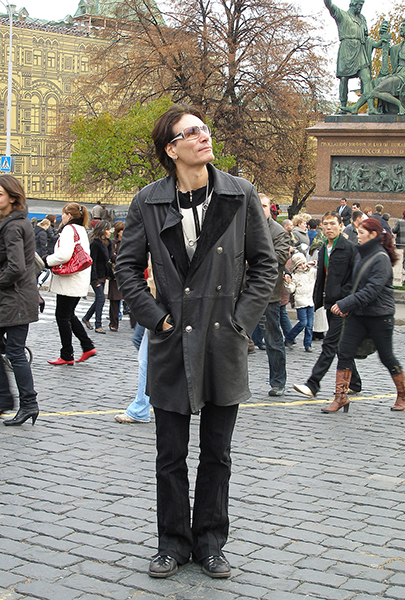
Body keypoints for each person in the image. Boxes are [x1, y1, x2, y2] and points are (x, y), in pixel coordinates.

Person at [115, 104, 277, 579]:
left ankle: (210, 543)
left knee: (218, 454)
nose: (204, 137)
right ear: (172, 148)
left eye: (204, 129)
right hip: (171, 340)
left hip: (222, 340)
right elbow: (126, 268)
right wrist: (157, 319)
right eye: (192, 132)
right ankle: (171, 543)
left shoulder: (239, 193)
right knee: (170, 455)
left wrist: (240, 323)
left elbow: (265, 265)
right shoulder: (148, 201)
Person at [324, 218, 404, 412]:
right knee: (344, 352)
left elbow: (371, 290)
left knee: (387, 357)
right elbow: (355, 285)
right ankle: (340, 396)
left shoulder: (381, 258)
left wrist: (344, 303)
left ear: (373, 235)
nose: (357, 235)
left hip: (380, 315)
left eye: (361, 232)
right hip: (359, 315)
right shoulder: (362, 255)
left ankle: (402, 394)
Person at [0, 175, 39, 425]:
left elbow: (16, 267)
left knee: (13, 351)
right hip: (12, 298)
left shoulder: (14, 225)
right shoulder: (10, 221)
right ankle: (8, 399)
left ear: (12, 197)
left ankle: (27, 403)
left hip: (15, 298)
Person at [293, 211, 361, 398]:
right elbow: (322, 278)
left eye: (332, 223)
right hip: (330, 304)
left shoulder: (350, 248)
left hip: (344, 306)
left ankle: (313, 384)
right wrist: (318, 303)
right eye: (325, 224)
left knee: (330, 344)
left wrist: (346, 302)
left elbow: (355, 280)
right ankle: (354, 382)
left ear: (340, 225)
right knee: (340, 345)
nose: (329, 227)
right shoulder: (323, 248)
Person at [44, 202, 96, 365]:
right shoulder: (81, 230)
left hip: (69, 280)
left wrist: (47, 261)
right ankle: (87, 346)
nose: (62, 217)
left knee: (62, 316)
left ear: (69, 215)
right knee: (68, 314)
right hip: (78, 279)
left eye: (64, 214)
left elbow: (64, 255)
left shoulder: (68, 229)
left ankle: (67, 354)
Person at [257, 194, 290, 396]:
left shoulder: (278, 232)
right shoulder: (242, 226)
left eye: (264, 206)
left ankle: (278, 381)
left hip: (269, 293)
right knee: (232, 339)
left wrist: (255, 254)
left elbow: (279, 257)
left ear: (271, 208)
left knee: (272, 339)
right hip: (243, 291)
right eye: (257, 205)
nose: (260, 209)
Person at [323, 0, 381, 113]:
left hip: (360, 51)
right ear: (353, 4)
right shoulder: (342, 15)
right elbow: (330, 5)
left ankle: (371, 108)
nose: (360, 8)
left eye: (362, 6)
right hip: (346, 51)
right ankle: (343, 106)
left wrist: (377, 44)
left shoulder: (362, 19)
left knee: (367, 78)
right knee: (344, 80)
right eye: (359, 5)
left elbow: (367, 39)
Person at [82, 221, 113, 334]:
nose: (110, 232)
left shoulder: (107, 243)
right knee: (101, 298)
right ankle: (98, 325)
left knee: (99, 299)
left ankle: (86, 318)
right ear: (103, 230)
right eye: (108, 230)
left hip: (103, 274)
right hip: (96, 275)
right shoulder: (95, 243)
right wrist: (94, 279)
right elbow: (92, 262)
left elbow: (108, 258)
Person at [283, 253, 317, 352]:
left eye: (303, 263)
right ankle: (289, 337)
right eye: (299, 264)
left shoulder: (311, 272)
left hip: (310, 300)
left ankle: (308, 344)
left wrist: (313, 264)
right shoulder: (295, 276)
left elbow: (321, 269)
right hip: (300, 301)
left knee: (310, 325)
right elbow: (291, 289)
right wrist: (287, 283)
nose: (302, 266)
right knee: (303, 323)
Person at [108, 221, 125, 331]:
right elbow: (111, 256)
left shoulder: (127, 242)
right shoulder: (112, 242)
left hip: (125, 274)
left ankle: (134, 324)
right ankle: (113, 323)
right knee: (115, 300)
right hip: (115, 274)